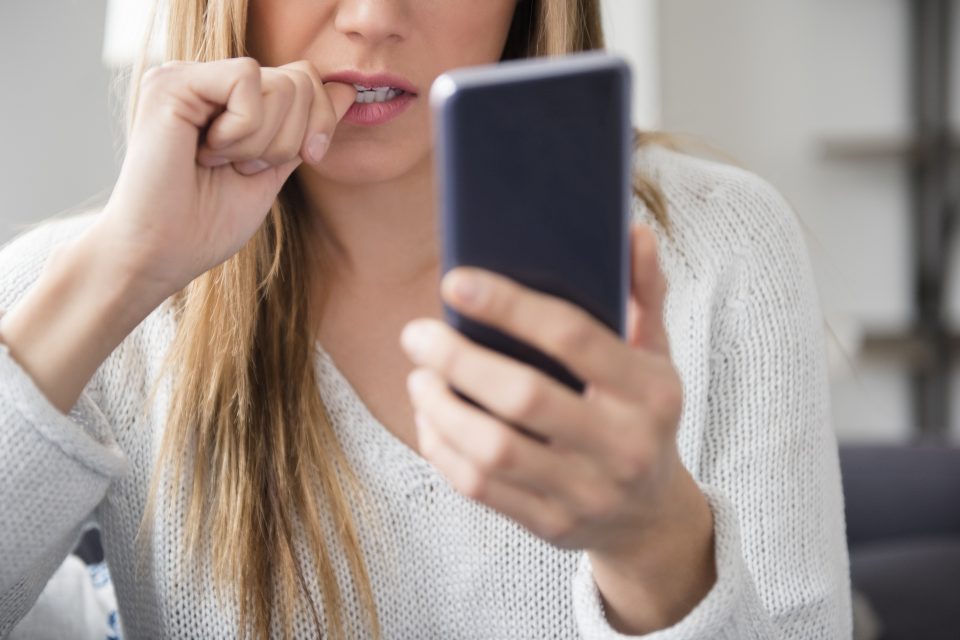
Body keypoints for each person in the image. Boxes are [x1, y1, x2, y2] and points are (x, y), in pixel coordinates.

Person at [0, 0, 851, 638]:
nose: (372, 18)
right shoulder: (78, 287)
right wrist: (116, 277)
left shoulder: (719, 247)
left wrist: (655, 543)